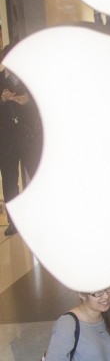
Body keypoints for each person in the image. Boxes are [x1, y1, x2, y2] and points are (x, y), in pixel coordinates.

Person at [0, 50, 42, 236]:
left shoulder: (28, 77)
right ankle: (15, 222)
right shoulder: (1, 78)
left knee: (35, 175)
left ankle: (39, 216)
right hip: (5, 139)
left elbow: (38, 104)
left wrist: (25, 102)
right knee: (9, 181)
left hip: (27, 136)